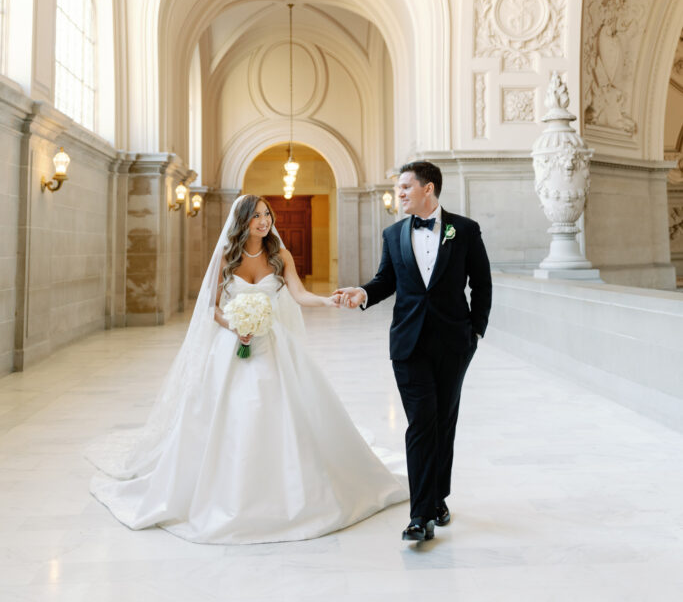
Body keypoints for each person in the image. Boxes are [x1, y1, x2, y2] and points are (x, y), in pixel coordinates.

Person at [87, 194, 407, 544]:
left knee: (280, 408)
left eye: (266, 214)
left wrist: (327, 300)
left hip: (273, 345)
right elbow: (211, 307)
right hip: (231, 346)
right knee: (233, 412)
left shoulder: (280, 254)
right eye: (256, 216)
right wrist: (234, 325)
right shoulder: (227, 256)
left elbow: (299, 294)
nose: (264, 221)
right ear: (242, 220)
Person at [337, 161, 492, 543]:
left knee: (444, 422)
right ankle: (420, 515)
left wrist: (475, 331)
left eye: (406, 187)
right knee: (421, 422)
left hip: (454, 343)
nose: (400, 193)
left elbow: (482, 284)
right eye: (399, 188)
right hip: (408, 344)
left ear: (428, 188)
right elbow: (386, 280)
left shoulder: (465, 230)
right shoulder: (393, 234)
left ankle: (438, 498)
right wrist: (363, 293)